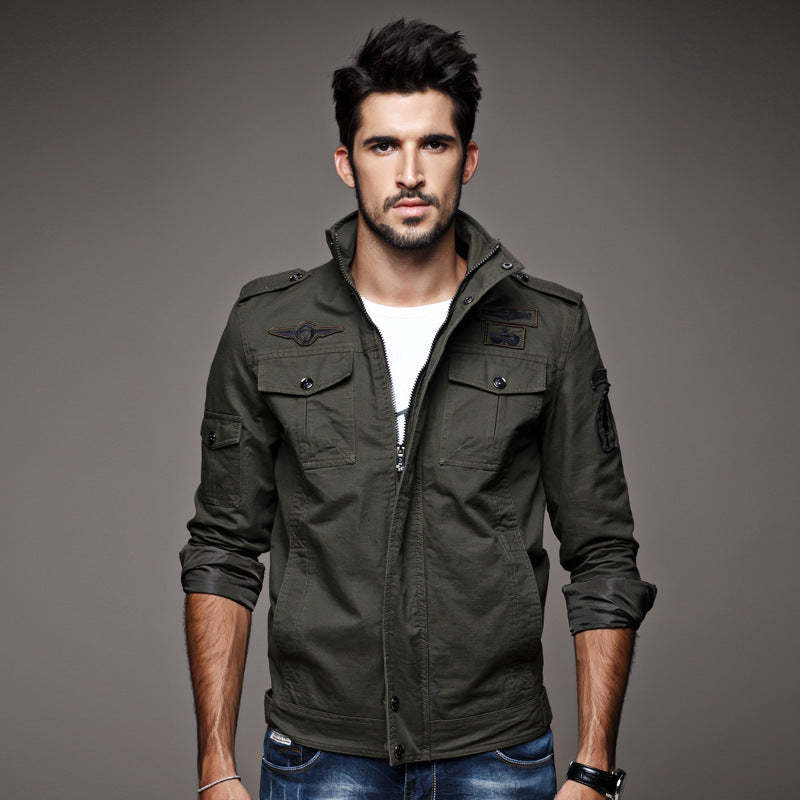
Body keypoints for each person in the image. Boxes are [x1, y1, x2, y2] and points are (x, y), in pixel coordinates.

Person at [179, 17, 657, 800]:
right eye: (382, 146)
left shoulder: (551, 329)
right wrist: (214, 768)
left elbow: (602, 551)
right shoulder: (266, 327)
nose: (409, 173)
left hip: (497, 754)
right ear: (346, 162)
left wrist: (594, 769)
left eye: (433, 144)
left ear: (468, 158)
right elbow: (223, 549)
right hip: (318, 754)